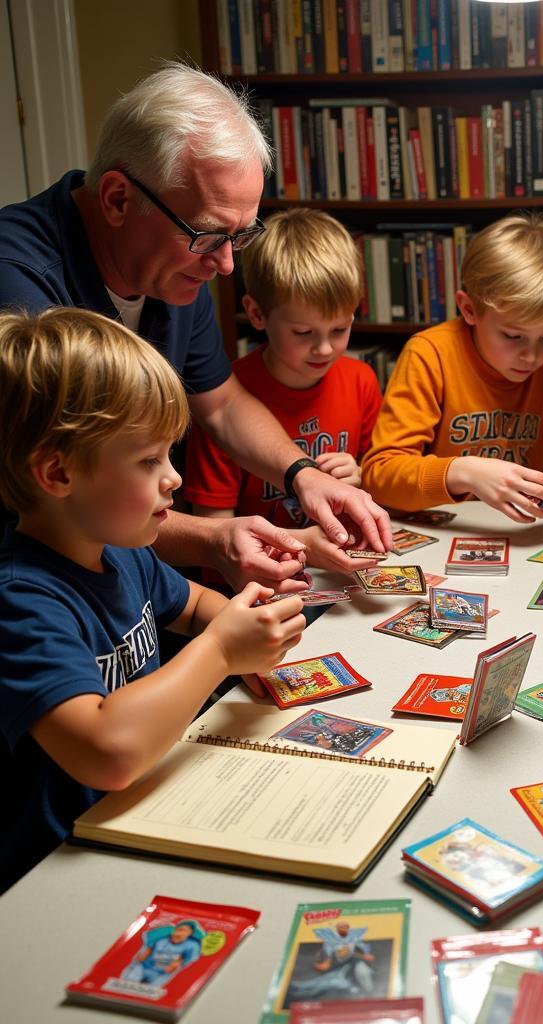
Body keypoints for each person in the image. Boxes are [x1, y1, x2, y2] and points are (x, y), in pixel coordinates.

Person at [0, 62, 390, 591]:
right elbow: (77, 502)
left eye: (240, 235)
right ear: (118, 198)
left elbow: (224, 405)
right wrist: (216, 538)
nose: (226, 265)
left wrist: (304, 475)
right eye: (208, 235)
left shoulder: (174, 264)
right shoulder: (20, 290)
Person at [0, 308, 306, 892]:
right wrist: (220, 652)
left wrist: (249, 623)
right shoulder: (21, 601)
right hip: (61, 866)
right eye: (148, 461)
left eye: (170, 453)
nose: (174, 478)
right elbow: (105, 752)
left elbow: (189, 607)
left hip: (147, 811)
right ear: (57, 473)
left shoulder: (121, 548)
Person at [361, 213, 543, 522]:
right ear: (469, 310)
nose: (532, 355)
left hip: (519, 536)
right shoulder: (430, 354)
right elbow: (380, 476)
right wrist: (464, 472)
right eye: (513, 336)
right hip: (439, 527)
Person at [183, 208, 382, 572]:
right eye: (304, 333)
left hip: (341, 571)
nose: (324, 349)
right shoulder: (222, 396)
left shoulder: (361, 381)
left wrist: (361, 477)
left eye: (339, 330)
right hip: (262, 578)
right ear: (257, 315)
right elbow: (214, 531)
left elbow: (381, 484)